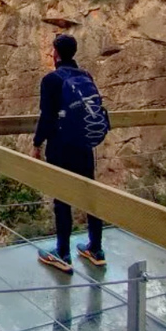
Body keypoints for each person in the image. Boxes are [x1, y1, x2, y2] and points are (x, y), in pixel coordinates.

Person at [32, 34, 107, 274]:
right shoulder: (85, 76)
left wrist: (36, 144)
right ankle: (95, 249)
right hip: (85, 145)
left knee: (62, 199)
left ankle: (62, 253)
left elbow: (46, 116)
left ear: (55, 52)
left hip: (61, 146)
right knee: (89, 193)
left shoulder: (51, 80)